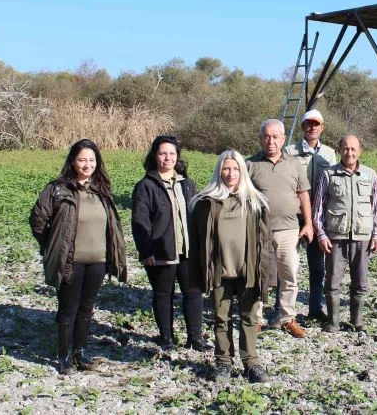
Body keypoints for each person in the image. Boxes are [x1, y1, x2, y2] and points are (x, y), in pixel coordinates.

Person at [29, 139, 127, 375]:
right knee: (68, 309)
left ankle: (80, 352)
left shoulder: (101, 190)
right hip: (70, 262)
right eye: (82, 159)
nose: (87, 164)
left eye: (92, 160)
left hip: (98, 261)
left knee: (86, 308)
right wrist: (53, 246)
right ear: (72, 161)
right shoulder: (57, 189)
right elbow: (38, 221)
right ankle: (64, 356)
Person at [189, 150, 272, 383]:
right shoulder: (205, 203)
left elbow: (266, 243)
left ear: (242, 172)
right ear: (219, 171)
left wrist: (268, 275)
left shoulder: (256, 202)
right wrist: (196, 273)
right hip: (219, 271)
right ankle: (223, 362)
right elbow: (196, 241)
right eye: (226, 168)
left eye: (235, 169)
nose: (231, 173)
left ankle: (251, 362)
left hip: (248, 272)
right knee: (220, 318)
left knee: (250, 317)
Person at [131, 135, 208, 352]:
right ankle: (166, 338)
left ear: (178, 157)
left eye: (172, 153)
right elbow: (140, 222)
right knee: (163, 294)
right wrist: (146, 250)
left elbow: (196, 215)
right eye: (163, 153)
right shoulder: (146, 185)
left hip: (188, 251)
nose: (168, 158)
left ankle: (195, 338)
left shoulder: (187, 184)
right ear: (154, 156)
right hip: (161, 251)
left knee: (193, 293)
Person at [246, 119, 313, 338]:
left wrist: (309, 224)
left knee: (289, 275)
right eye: (266, 136)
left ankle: (286, 318)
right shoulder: (249, 165)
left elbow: (304, 194)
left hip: (289, 229)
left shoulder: (295, 164)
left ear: (283, 139)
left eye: (275, 137)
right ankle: (255, 319)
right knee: (257, 276)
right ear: (260, 138)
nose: (271, 141)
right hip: (258, 230)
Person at [313, 135, 377, 333]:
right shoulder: (328, 175)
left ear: (359, 151)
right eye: (345, 149)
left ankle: (356, 320)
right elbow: (318, 208)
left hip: (362, 237)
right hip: (336, 238)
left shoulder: (370, 175)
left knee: (360, 282)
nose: (349, 153)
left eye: (353, 149)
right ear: (339, 150)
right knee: (333, 282)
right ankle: (334, 322)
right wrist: (321, 235)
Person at [284, 109, 337, 323]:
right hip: (293, 216)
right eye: (308, 124)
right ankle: (286, 311)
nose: (312, 127)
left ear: (322, 127)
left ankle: (315, 308)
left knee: (317, 267)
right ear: (302, 127)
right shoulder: (289, 151)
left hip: (318, 218)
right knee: (288, 266)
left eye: (316, 124)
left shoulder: (330, 153)